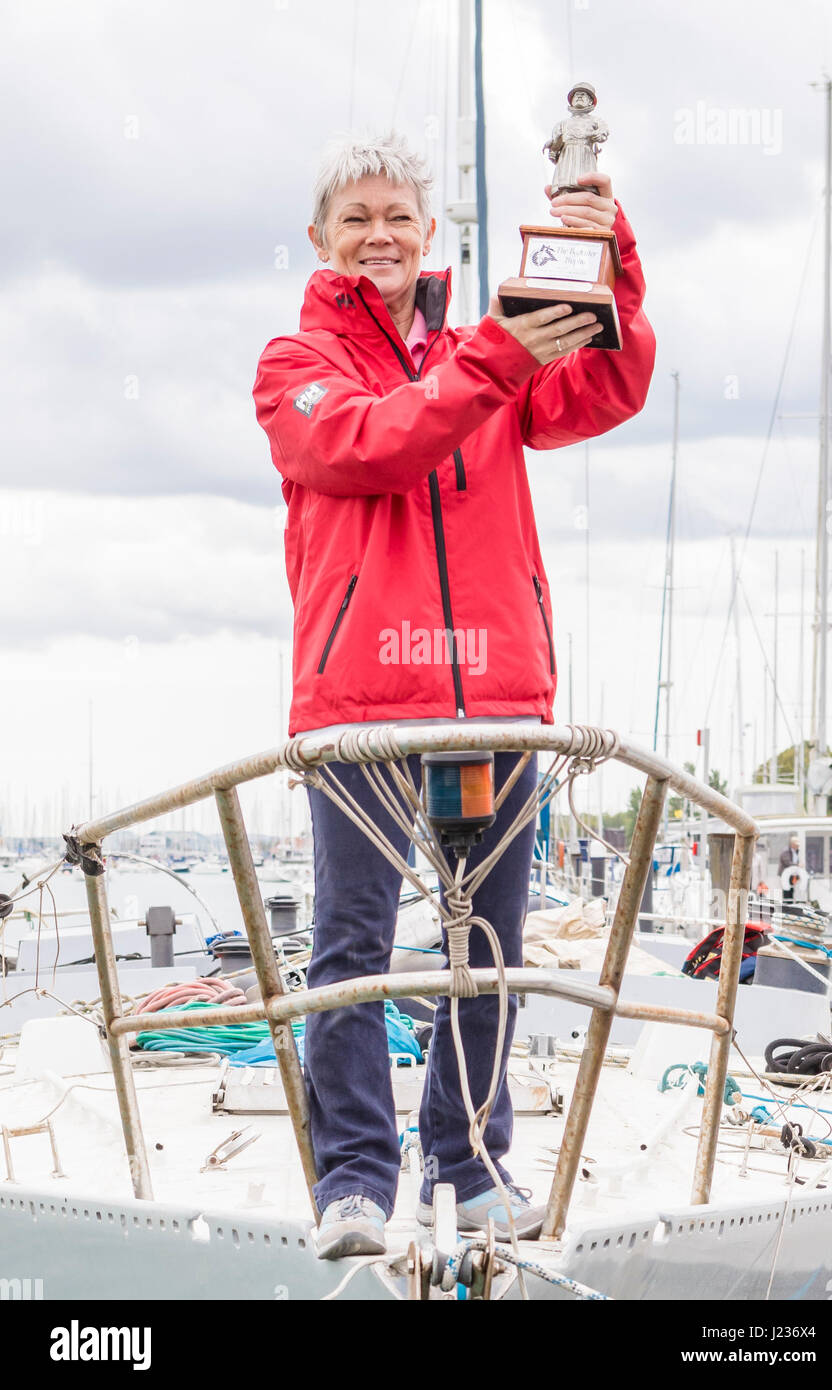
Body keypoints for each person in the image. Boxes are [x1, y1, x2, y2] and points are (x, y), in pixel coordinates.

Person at [253, 133, 655, 1259]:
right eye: (355, 219)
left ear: (429, 234)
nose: (378, 234)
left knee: (486, 946)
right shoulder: (294, 363)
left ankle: (470, 1166)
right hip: (359, 707)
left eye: (397, 216)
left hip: (496, 701)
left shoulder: (490, 353)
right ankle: (353, 1181)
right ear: (321, 241)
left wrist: (605, 248)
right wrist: (489, 358)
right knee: (350, 951)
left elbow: (608, 386)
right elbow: (370, 445)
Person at [778, 834, 800, 905]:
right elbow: (787, 862)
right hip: (785, 875)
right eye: (796, 844)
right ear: (792, 844)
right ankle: (786, 906)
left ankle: (790, 905)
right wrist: (797, 865)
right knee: (786, 891)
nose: (798, 846)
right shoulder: (786, 851)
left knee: (791, 890)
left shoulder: (796, 851)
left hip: (792, 875)